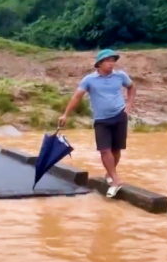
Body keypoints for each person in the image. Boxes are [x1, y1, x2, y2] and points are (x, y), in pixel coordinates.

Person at [58, 49, 136, 198]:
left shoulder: (120, 76)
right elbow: (77, 97)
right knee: (104, 150)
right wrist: (65, 114)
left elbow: (132, 87)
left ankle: (110, 174)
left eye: (113, 60)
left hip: (120, 116)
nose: (111, 63)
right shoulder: (89, 79)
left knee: (116, 149)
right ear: (99, 63)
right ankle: (115, 181)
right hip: (101, 120)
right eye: (107, 60)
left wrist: (129, 104)